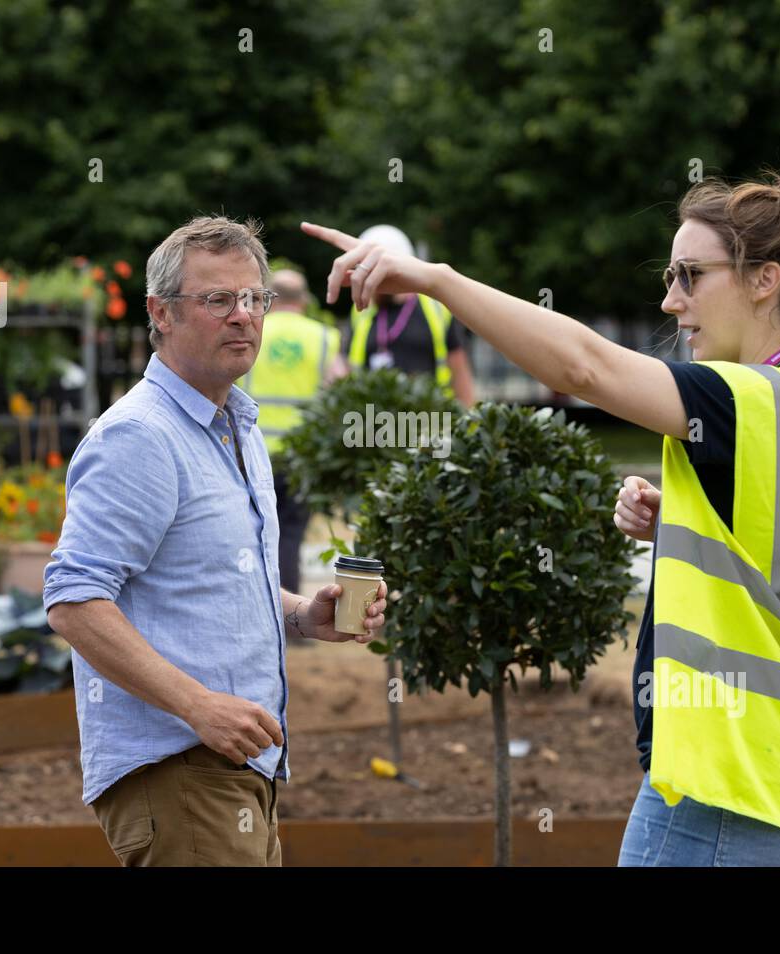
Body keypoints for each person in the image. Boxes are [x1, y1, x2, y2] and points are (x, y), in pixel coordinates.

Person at [304, 155, 780, 867]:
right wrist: (687, 510)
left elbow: (582, 367)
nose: (672, 302)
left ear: (765, 280)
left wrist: (437, 280)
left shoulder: (744, 402)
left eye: (690, 276)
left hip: (734, 786)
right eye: (668, 278)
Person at [43, 216, 387, 867]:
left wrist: (301, 615)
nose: (243, 316)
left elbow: (214, 577)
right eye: (217, 299)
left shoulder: (236, 423)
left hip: (234, 764)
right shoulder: (140, 435)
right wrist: (198, 705)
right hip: (181, 766)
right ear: (160, 312)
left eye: (254, 298)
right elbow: (72, 598)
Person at [237, 268, 340, 605]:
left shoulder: (250, 331)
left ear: (269, 298)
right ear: (305, 300)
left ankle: (256, 606)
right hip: (302, 455)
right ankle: (291, 613)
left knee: (252, 533)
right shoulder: (324, 337)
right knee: (291, 534)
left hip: (254, 449)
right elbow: (339, 389)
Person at [341, 225, 476, 406]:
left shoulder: (435, 309)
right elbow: (350, 367)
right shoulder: (361, 311)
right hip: (375, 422)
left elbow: (459, 368)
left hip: (429, 416)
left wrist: (468, 420)